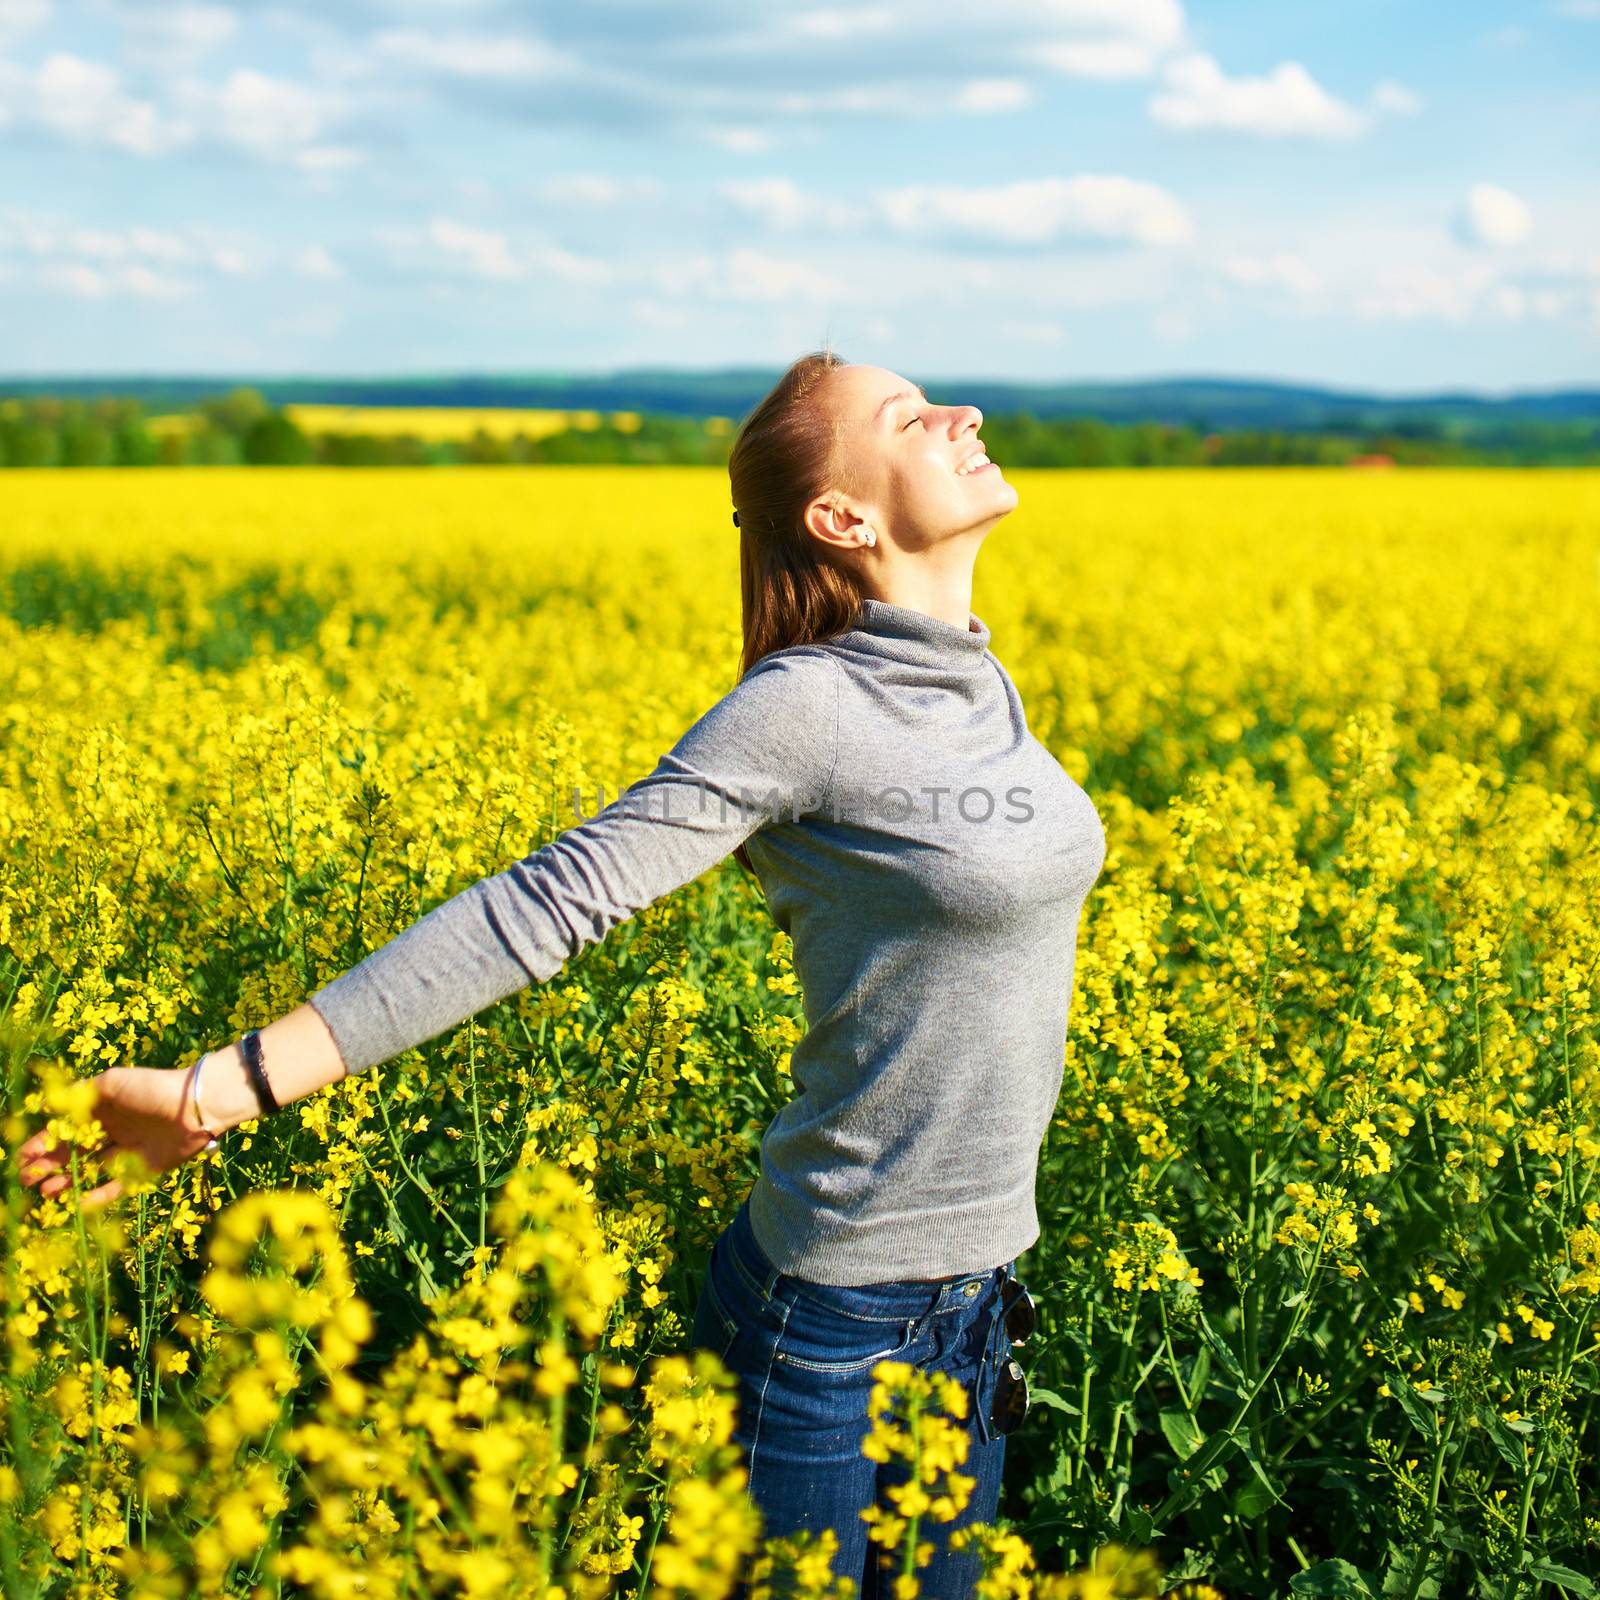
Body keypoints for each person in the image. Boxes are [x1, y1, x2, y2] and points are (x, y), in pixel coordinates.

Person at [15, 349, 1106, 1596]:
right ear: (841, 518)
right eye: (913, 415)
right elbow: (543, 907)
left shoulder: (974, 674)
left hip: (975, 1310)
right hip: (833, 1327)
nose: (962, 412)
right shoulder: (799, 709)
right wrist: (220, 1088)